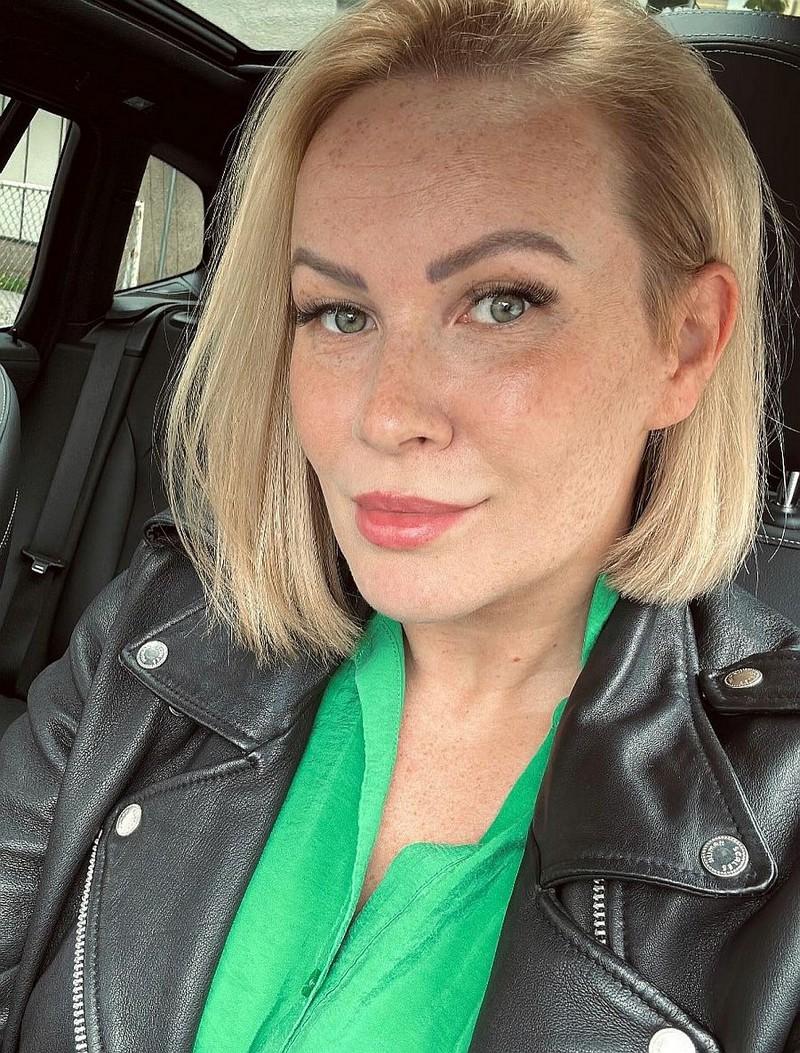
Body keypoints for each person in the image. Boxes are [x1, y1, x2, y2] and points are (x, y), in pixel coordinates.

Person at [0, 0, 798, 1049]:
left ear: (684, 343)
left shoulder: (779, 803)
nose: (385, 415)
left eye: (502, 303)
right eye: (339, 313)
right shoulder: (160, 638)